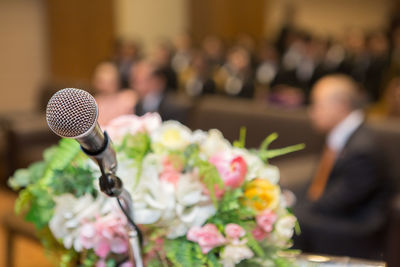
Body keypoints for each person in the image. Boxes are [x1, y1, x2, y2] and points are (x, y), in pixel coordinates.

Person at [294, 74, 393, 259]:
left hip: (356, 229)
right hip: (338, 213)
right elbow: (319, 185)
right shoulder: (342, 135)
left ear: (340, 106)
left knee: (292, 222)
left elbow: (340, 201)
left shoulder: (364, 148)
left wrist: (295, 210)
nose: (312, 111)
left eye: (317, 105)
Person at [92, 62, 137, 126]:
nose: (105, 86)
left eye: (110, 82)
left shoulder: (129, 98)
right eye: (102, 82)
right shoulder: (92, 103)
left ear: (117, 82)